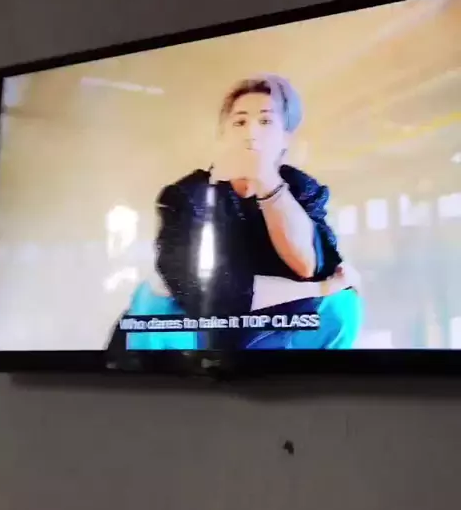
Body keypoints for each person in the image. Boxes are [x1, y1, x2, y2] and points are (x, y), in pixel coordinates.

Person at [108, 74, 362, 354]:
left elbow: (313, 268)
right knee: (151, 300)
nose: (251, 133)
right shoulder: (185, 196)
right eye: (240, 122)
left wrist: (266, 180)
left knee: (342, 304)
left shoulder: (303, 189)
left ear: (285, 138)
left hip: (266, 326)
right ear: (224, 136)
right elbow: (209, 295)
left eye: (265, 122)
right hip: (194, 331)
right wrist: (318, 289)